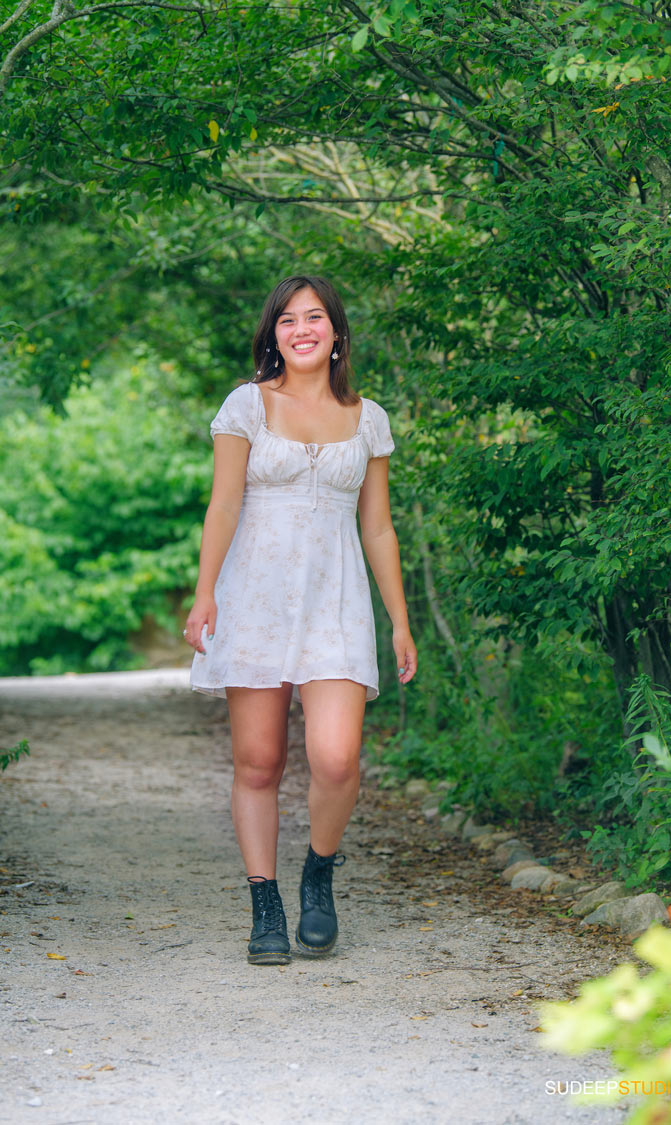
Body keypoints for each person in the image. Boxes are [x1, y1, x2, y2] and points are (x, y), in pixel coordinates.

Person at [183, 275, 417, 966]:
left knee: (337, 755)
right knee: (258, 761)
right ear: (273, 335)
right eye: (287, 320)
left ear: (336, 333)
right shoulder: (247, 406)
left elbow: (377, 528)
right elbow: (223, 505)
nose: (301, 328)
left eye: (314, 317)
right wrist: (204, 593)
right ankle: (265, 901)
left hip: (336, 602)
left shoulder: (367, 417)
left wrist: (399, 620)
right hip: (255, 594)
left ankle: (320, 870)